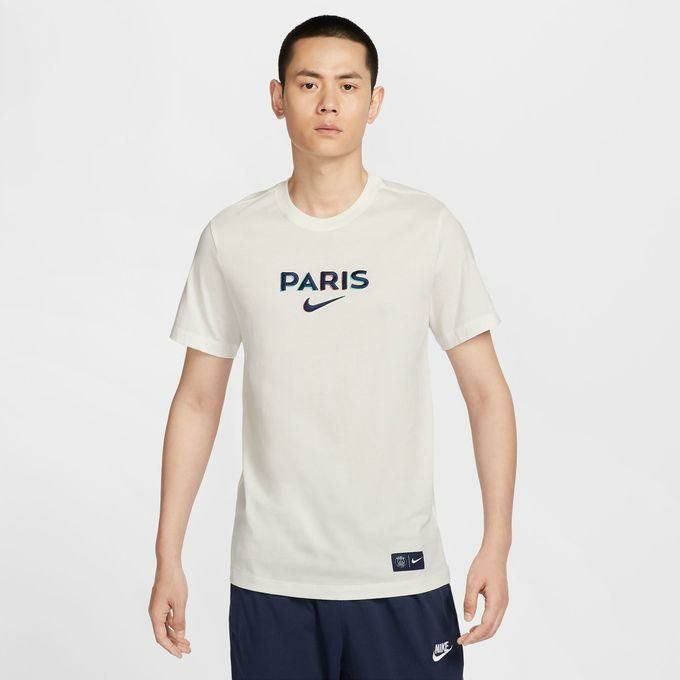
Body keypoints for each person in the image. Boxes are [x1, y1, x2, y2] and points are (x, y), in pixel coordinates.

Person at [148, 14, 516, 680]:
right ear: (277, 97)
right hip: (272, 579)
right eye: (308, 83)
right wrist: (167, 553)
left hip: (401, 574)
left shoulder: (426, 229)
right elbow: (197, 400)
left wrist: (498, 541)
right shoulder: (233, 237)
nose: (328, 103)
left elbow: (487, 393)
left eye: (348, 86)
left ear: (374, 102)